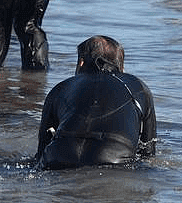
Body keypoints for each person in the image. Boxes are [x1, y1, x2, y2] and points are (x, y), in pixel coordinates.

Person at [36, 35, 156, 169]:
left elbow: (41, 149)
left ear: (81, 62)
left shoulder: (60, 88)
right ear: (121, 67)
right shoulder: (139, 87)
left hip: (59, 156)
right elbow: (148, 152)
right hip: (113, 160)